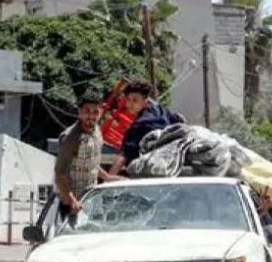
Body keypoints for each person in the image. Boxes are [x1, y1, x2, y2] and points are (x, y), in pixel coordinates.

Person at [54, 96, 121, 225]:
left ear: (101, 113)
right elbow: (59, 175)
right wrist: (73, 201)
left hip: (92, 202)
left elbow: (91, 164)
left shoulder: (97, 131)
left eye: (95, 112)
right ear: (79, 112)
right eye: (87, 111)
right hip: (73, 207)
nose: (91, 116)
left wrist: (109, 178)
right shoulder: (70, 138)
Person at [109, 81, 185, 177]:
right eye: (128, 100)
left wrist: (108, 178)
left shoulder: (139, 125)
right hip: (173, 162)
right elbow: (180, 120)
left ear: (145, 101)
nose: (130, 104)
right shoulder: (162, 110)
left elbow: (123, 156)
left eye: (135, 100)